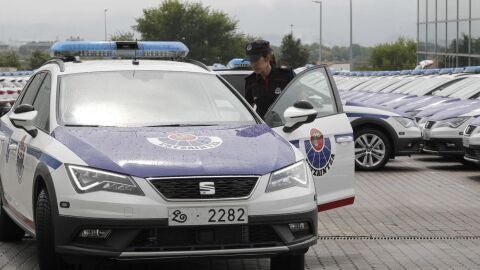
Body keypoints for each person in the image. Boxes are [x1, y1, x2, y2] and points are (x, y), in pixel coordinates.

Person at [244, 40, 295, 118]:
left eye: (256, 60)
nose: (253, 64)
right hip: (263, 127)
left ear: (267, 57)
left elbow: (299, 101)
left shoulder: (286, 76)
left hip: (286, 126)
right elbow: (247, 110)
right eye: (251, 60)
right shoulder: (251, 81)